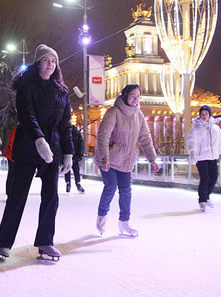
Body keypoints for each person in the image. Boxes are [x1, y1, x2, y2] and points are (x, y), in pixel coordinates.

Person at [0, 44, 73, 261]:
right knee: (17, 196)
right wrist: (39, 141)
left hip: (54, 148)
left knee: (51, 197)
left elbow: (66, 124)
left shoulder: (62, 91)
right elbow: (27, 117)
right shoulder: (26, 86)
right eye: (46, 60)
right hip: (28, 146)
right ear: (38, 62)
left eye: (54, 61)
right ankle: (4, 243)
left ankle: (45, 242)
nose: (50, 64)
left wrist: (68, 153)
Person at [94, 83, 159, 237]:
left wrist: (152, 159)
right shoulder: (113, 112)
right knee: (111, 187)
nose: (135, 100)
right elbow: (103, 136)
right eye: (132, 96)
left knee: (126, 191)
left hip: (128, 159)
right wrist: (105, 157)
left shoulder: (139, 115)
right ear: (125, 96)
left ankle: (124, 222)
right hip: (109, 158)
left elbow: (145, 138)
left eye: (138, 97)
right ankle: (102, 216)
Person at [187, 105, 221, 212]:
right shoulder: (196, 128)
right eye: (202, 114)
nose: (204, 115)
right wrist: (192, 153)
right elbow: (191, 141)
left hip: (213, 157)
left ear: (210, 115)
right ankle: (202, 201)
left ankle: (206, 196)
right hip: (201, 157)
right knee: (205, 178)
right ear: (200, 115)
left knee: (213, 178)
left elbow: (220, 143)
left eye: (206, 113)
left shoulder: (216, 129)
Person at [64, 125, 85, 193]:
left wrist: (80, 154)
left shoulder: (75, 133)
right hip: (70, 154)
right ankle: (71, 183)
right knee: (70, 169)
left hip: (73, 154)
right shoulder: (75, 133)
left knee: (73, 169)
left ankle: (74, 183)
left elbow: (81, 144)